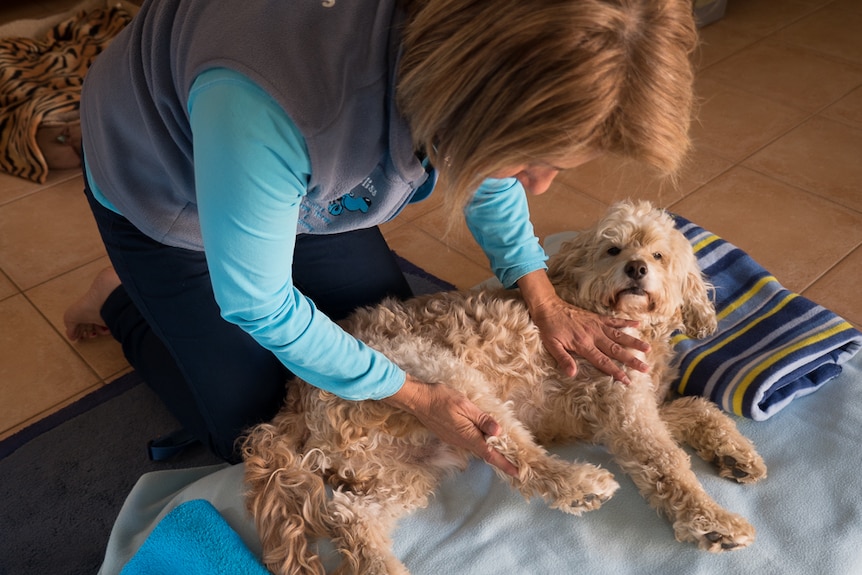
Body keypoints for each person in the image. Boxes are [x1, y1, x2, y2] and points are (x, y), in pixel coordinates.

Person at [64, 0, 698, 470]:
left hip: (304, 180)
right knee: (265, 431)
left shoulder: (463, 58)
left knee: (391, 332)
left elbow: (486, 159)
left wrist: (542, 295)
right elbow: (258, 305)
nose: (541, 186)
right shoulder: (273, 105)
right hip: (172, 184)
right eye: (535, 160)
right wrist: (419, 396)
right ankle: (123, 299)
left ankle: (242, 251)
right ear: (474, 101)